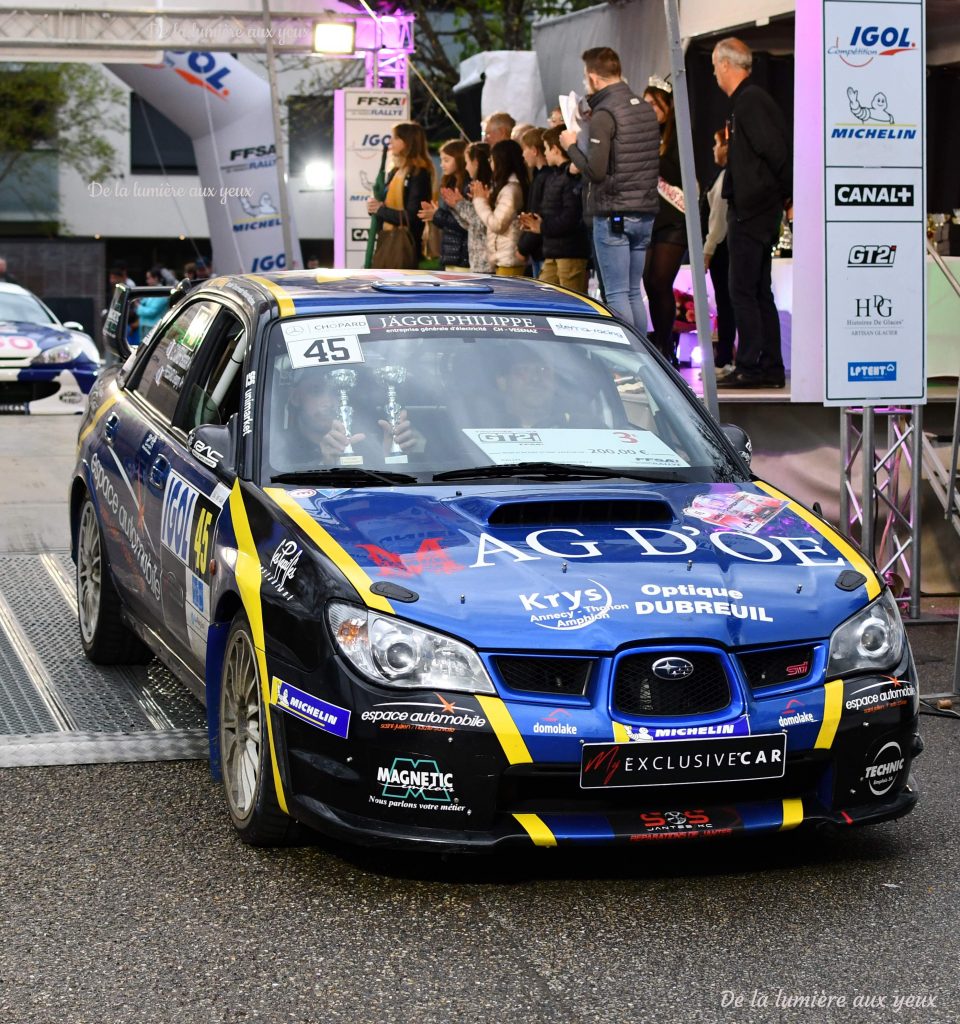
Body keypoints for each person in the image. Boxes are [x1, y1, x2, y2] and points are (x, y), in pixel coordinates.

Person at [560, 47, 660, 334]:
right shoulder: (644, 107)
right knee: (633, 292)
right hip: (645, 212)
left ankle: (627, 361)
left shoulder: (605, 114)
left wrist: (570, 146)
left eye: (584, 78)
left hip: (614, 213)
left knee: (615, 294)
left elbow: (595, 171)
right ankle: (645, 361)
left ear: (593, 78)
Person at [712, 37, 792, 390]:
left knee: (743, 290)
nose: (714, 73)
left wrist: (785, 198)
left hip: (753, 212)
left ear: (727, 65)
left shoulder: (750, 101)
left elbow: (776, 152)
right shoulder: (747, 102)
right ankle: (769, 366)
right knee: (758, 291)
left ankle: (751, 365)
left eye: (715, 66)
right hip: (757, 209)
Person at [282, 368, 421, 468]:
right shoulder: (277, 449)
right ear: (295, 397)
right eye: (316, 391)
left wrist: (390, 456)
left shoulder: (366, 442)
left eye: (336, 392)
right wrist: (325, 466)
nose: (328, 403)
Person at [642, 79, 687, 365]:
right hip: (651, 217)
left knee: (661, 280)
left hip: (675, 218)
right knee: (649, 281)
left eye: (653, 105)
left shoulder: (679, 137)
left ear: (666, 106)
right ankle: (660, 341)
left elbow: (677, 173)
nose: (648, 111)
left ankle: (666, 343)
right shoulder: (646, 135)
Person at [527, 126, 590, 294]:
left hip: (570, 252)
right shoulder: (555, 176)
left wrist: (542, 227)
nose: (545, 153)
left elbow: (571, 216)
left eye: (546, 148)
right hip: (553, 250)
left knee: (572, 302)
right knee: (541, 296)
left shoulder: (570, 178)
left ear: (555, 149)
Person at [367, 121, 435, 266]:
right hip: (387, 240)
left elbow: (413, 216)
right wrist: (376, 208)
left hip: (405, 246)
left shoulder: (419, 173)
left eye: (396, 138)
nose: (391, 141)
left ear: (409, 142)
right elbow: (385, 206)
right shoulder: (395, 171)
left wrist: (380, 209)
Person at [703, 129, 736, 377]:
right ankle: (726, 356)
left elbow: (718, 222)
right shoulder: (724, 176)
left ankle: (724, 358)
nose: (714, 150)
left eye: (716, 144)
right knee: (727, 303)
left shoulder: (726, 177)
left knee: (726, 304)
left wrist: (708, 250)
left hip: (722, 249)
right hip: (724, 247)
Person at [471, 139, 528, 276]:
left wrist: (480, 201)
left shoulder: (511, 190)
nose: (490, 164)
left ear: (502, 161)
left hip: (508, 259)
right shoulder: (508, 188)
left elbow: (497, 224)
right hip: (503, 258)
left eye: (492, 160)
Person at [418, 139, 470, 271]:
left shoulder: (468, 186)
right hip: (451, 255)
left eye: (446, 160)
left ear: (460, 159)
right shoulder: (451, 183)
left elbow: (466, 222)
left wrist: (437, 215)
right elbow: (450, 221)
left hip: (464, 257)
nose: (441, 165)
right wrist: (434, 215)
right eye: (441, 160)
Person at [441, 143, 494, 274]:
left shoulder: (486, 187)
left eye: (467, 162)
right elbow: (469, 223)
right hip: (476, 260)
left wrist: (459, 204)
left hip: (486, 260)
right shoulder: (473, 186)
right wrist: (456, 206)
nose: (466, 167)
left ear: (475, 162)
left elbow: (481, 222)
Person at [516, 127, 549, 278]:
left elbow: (538, 215)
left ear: (534, 150)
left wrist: (523, 248)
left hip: (542, 249)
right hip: (538, 250)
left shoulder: (544, 178)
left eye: (524, 149)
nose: (522, 155)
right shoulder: (538, 176)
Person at [136, 267, 169, 339]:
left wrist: (138, 307)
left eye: (149, 278)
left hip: (153, 328)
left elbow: (152, 311)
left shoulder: (162, 293)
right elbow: (143, 303)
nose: (147, 281)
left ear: (156, 278)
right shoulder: (151, 290)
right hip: (145, 326)